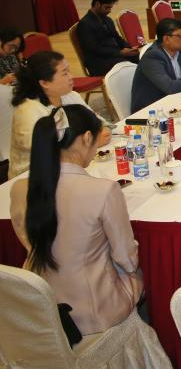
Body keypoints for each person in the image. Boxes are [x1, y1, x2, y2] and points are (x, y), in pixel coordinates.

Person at [9, 104, 145, 342]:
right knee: (140, 277)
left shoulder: (21, 188)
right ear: (87, 138)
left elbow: (28, 241)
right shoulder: (103, 190)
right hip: (93, 310)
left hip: (41, 304)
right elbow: (126, 258)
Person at [9, 52, 89, 180]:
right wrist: (86, 143)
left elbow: (98, 123)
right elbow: (48, 152)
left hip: (69, 166)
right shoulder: (28, 111)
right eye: (65, 73)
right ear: (44, 83)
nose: (71, 76)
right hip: (33, 178)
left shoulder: (70, 96)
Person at [130, 18, 181, 113]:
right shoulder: (153, 57)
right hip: (151, 110)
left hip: (175, 101)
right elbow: (170, 87)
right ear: (166, 39)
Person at [76, 0, 140, 76]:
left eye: (110, 8)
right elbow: (94, 49)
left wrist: (130, 48)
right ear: (97, 4)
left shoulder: (107, 20)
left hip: (113, 55)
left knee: (138, 56)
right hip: (99, 62)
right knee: (125, 65)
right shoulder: (85, 24)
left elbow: (117, 38)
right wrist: (120, 53)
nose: (109, 11)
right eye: (107, 7)